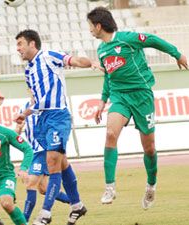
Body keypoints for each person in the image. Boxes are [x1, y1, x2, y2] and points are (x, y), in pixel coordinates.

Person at [86, 7, 188, 209]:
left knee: (149, 147)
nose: (89, 30)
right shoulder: (101, 50)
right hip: (120, 97)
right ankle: (110, 187)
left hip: (142, 95)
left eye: (90, 26)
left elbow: (152, 40)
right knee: (110, 134)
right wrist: (102, 101)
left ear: (98, 26)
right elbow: (108, 76)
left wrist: (177, 54)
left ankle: (151, 185)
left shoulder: (127, 38)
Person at [14, 29, 102, 225]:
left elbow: (74, 61)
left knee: (53, 161)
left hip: (58, 116)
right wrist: (25, 114)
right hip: (41, 120)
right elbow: (36, 99)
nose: (18, 48)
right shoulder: (28, 70)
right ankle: (77, 205)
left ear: (32, 44)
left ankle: (45, 213)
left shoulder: (48, 56)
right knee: (62, 163)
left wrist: (91, 63)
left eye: (20, 44)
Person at [16, 99, 71, 223]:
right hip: (33, 151)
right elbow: (18, 132)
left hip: (43, 149)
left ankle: (24, 220)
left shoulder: (47, 106)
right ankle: (74, 202)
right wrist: (18, 129)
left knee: (31, 183)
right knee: (44, 189)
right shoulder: (24, 108)